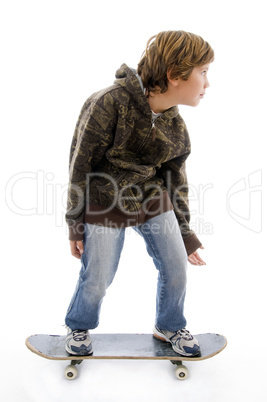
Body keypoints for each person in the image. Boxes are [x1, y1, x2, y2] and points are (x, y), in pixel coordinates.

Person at [64, 30, 214, 357]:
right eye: (203, 72)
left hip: (152, 199)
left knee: (176, 266)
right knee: (99, 275)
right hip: (105, 199)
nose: (207, 83)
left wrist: (184, 233)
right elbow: (80, 164)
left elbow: (176, 181)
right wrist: (75, 222)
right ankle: (79, 325)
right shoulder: (107, 103)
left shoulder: (175, 125)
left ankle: (169, 326)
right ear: (175, 75)